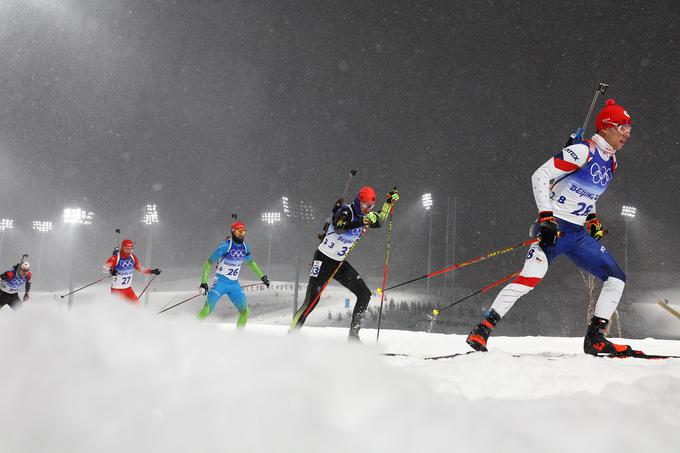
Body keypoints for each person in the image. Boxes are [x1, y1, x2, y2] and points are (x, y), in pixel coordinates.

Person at [467, 99, 634, 355]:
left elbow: (587, 196)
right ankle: (482, 331)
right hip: (555, 229)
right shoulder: (582, 151)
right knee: (528, 280)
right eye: (622, 127)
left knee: (616, 278)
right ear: (606, 126)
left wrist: (592, 219)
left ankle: (596, 338)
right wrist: (546, 217)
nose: (628, 133)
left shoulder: (611, 163)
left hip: (577, 234)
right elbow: (540, 176)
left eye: (629, 127)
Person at [290, 186, 398, 341]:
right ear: (358, 201)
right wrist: (362, 220)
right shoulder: (346, 210)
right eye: (366, 205)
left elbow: (380, 221)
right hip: (323, 259)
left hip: (339, 263)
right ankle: (290, 337)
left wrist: (388, 203)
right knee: (312, 301)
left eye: (371, 206)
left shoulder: (367, 215)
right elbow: (340, 226)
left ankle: (353, 336)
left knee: (364, 294)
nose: (368, 209)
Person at [197, 221, 270, 327]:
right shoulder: (225, 246)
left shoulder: (245, 247)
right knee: (208, 309)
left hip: (234, 285)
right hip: (220, 283)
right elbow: (209, 263)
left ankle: (238, 338)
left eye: (243, 232)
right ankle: (191, 327)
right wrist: (203, 283)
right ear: (233, 232)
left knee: (245, 312)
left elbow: (251, 262)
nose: (241, 235)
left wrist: (262, 277)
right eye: (238, 232)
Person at [103, 239, 161, 303]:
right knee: (118, 309)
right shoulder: (116, 257)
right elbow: (104, 268)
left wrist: (152, 271)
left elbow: (140, 268)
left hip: (128, 289)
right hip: (117, 290)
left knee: (136, 307)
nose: (129, 251)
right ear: (122, 248)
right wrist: (111, 271)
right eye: (127, 249)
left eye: (131, 249)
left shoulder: (133, 257)